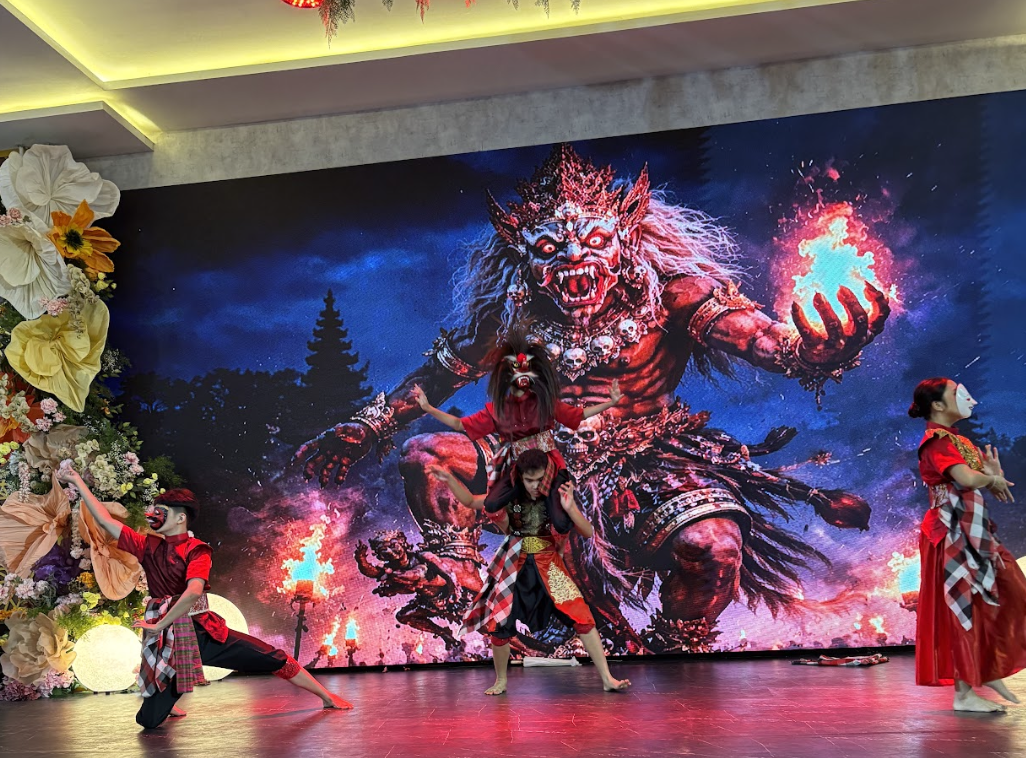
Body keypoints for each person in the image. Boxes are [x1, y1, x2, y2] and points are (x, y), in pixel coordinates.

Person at [57, 466, 352, 729]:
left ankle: (326, 696)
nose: (154, 516)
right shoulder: (147, 546)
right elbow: (104, 519)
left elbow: (193, 593)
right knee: (148, 721)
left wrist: (160, 624)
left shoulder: (196, 550)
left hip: (201, 632)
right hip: (169, 642)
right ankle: (167, 699)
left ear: (180, 518)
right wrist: (78, 482)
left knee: (272, 656)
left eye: (162, 512)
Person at [430, 449, 630, 695]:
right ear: (520, 477)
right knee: (499, 623)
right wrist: (449, 480)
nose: (535, 486)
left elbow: (588, 532)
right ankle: (501, 680)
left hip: (549, 564)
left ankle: (607, 678)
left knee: (582, 617)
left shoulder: (556, 498)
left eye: (540, 479)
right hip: (514, 563)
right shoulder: (510, 497)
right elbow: (471, 501)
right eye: (529, 480)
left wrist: (570, 507)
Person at [413, 328, 620, 522]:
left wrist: (610, 403)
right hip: (513, 465)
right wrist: (429, 408)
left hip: (546, 463)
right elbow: (460, 424)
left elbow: (578, 415)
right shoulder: (499, 410)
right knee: (498, 507)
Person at [908, 377, 1024, 713]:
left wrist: (992, 476)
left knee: (1006, 593)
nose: (970, 400)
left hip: (973, 528)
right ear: (938, 405)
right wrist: (990, 478)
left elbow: (974, 480)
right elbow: (966, 479)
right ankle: (964, 692)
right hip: (951, 531)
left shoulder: (958, 440)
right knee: (964, 607)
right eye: (959, 394)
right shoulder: (937, 442)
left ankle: (988, 667)